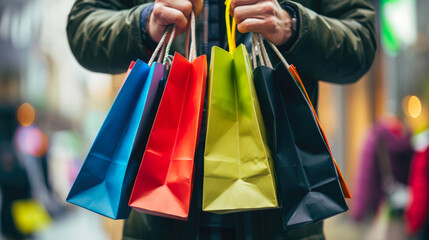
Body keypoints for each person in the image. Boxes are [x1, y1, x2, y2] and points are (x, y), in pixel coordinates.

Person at [66, 0, 377, 239]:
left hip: (282, 211)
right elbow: (83, 27)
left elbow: (360, 40)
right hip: (160, 213)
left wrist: (292, 24)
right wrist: (145, 22)